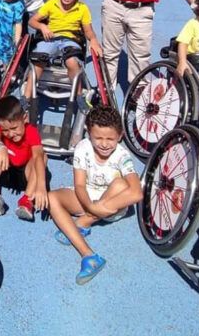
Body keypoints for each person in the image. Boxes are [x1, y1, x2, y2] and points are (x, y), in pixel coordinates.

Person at [47, 105, 142, 285]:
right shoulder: (83, 147)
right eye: (98, 138)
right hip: (88, 200)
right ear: (89, 134)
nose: (104, 144)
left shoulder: (122, 155)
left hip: (111, 205)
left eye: (110, 139)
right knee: (52, 197)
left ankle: (84, 222)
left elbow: (136, 193)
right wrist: (91, 207)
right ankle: (88, 255)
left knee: (121, 184)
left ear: (120, 136)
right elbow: (80, 185)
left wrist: (96, 210)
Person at [25, 0, 103, 97]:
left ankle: (78, 96)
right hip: (50, 38)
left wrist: (93, 40)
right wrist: (42, 26)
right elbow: (32, 21)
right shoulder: (51, 4)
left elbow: (88, 31)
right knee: (38, 59)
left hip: (70, 40)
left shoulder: (82, 9)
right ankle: (26, 97)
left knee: (72, 61)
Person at [0, 96, 48, 221]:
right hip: (7, 170)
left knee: (43, 156)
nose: (10, 134)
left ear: (25, 118)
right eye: (5, 130)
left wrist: (41, 186)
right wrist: (0, 147)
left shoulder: (31, 131)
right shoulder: (2, 130)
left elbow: (38, 156)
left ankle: (26, 200)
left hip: (25, 177)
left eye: (14, 128)